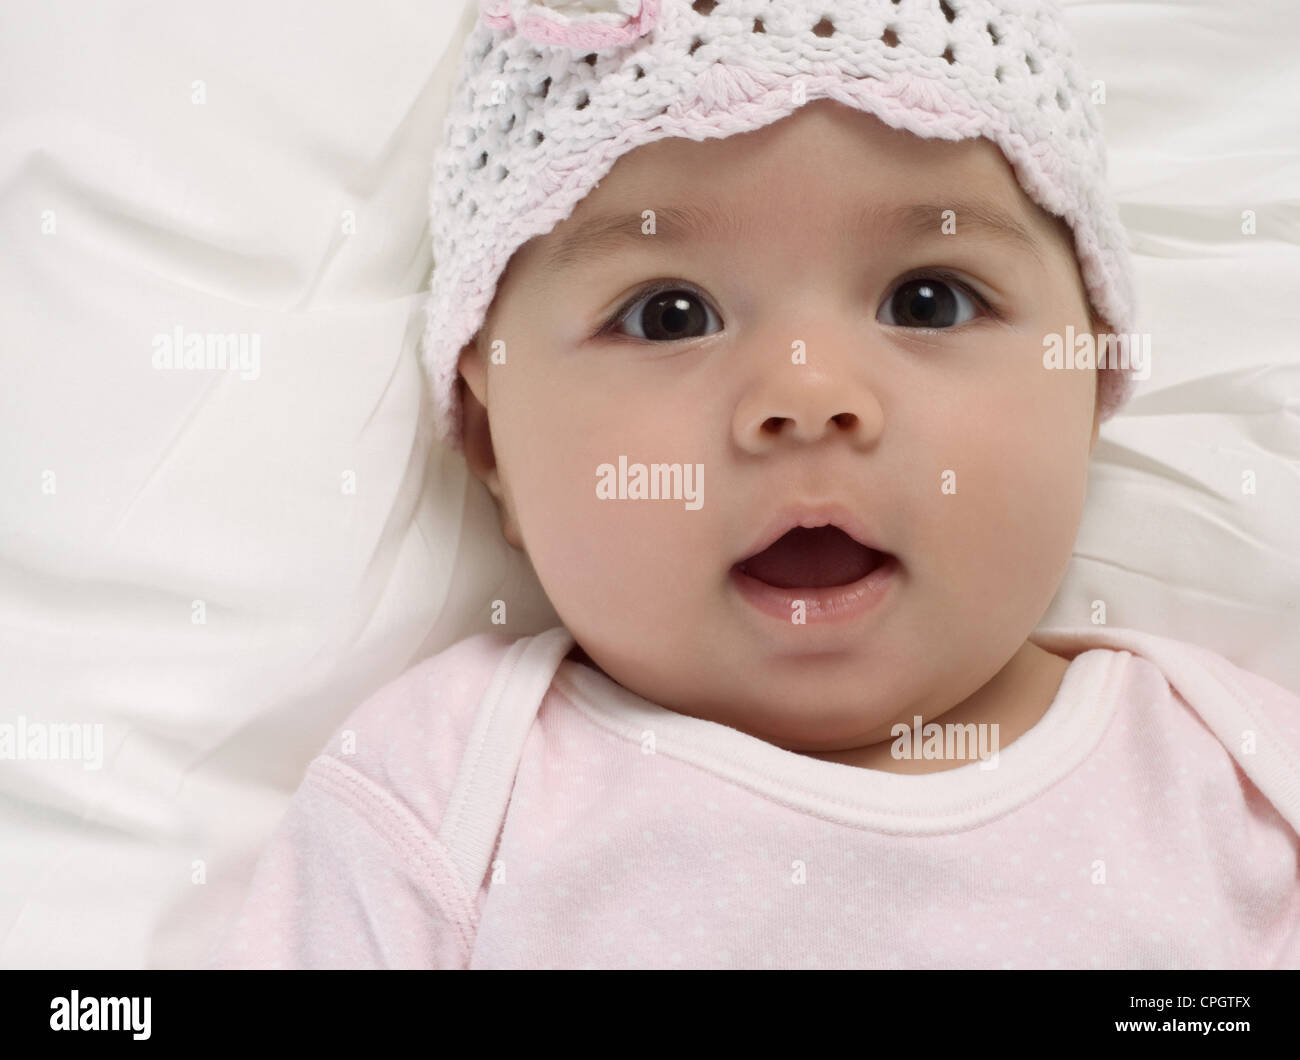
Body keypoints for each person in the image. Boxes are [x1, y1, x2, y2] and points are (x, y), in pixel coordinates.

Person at [208, 0, 1300, 969]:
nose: (808, 395)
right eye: (665, 315)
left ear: (1095, 371)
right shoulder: (446, 797)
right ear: (490, 438)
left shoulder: (1239, 786)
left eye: (928, 300)